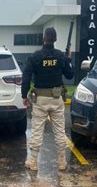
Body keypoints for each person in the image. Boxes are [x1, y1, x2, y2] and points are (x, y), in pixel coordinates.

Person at [21, 27, 74, 171]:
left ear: (43, 38)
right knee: (59, 130)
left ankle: (33, 162)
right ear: (55, 40)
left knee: (37, 130)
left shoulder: (35, 56)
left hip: (40, 99)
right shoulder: (60, 56)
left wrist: (23, 95)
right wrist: (68, 60)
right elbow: (69, 75)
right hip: (57, 99)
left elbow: (26, 77)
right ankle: (62, 162)